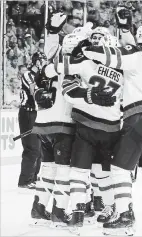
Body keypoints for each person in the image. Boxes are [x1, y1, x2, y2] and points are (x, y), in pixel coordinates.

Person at [82, 25, 142, 236]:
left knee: (119, 169)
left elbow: (107, 56)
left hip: (140, 116)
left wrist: (86, 49)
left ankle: (124, 216)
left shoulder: (135, 54)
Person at [59, 31, 123, 233]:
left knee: (79, 171)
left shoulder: (84, 63)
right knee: (103, 174)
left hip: (86, 126)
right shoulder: (124, 71)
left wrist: (87, 93)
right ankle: (112, 208)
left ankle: (78, 213)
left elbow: (68, 91)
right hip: (111, 128)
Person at [29, 12, 77, 228]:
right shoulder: (72, 64)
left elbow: (49, 53)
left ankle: (39, 209)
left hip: (42, 124)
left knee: (47, 169)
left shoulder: (49, 64)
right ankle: (59, 212)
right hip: (62, 124)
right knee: (64, 170)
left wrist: (52, 32)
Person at [17, 52, 44, 189]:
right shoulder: (28, 74)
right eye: (42, 60)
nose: (44, 63)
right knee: (32, 148)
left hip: (36, 113)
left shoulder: (41, 75)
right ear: (36, 61)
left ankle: (33, 178)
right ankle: (25, 180)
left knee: (39, 149)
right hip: (27, 114)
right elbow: (36, 91)